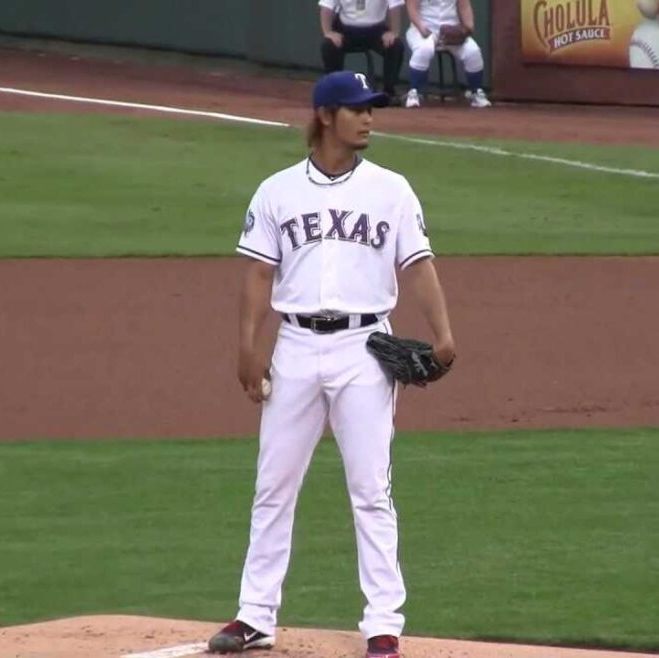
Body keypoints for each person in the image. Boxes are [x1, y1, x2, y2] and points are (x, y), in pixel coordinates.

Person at [207, 70, 456, 658]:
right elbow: (258, 275)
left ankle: (383, 624)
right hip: (293, 347)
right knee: (273, 484)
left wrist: (444, 334)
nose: (369, 117)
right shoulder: (277, 191)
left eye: (371, 109)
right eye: (357, 109)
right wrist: (248, 345)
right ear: (325, 116)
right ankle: (255, 616)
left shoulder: (392, 190)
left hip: (365, 350)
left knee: (371, 488)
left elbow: (418, 266)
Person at [403, 0, 492, 108]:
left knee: (473, 51)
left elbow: (464, 6)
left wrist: (469, 27)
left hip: (450, 31)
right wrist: (422, 28)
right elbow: (412, 8)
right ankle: (414, 93)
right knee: (424, 49)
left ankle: (476, 92)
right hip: (423, 29)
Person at [320, 0, 406, 104]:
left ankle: (388, 93)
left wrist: (394, 32)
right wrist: (328, 32)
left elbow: (395, 6)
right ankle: (335, 92)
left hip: (376, 28)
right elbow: (326, 7)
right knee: (328, 45)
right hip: (346, 28)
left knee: (395, 45)